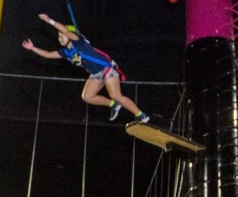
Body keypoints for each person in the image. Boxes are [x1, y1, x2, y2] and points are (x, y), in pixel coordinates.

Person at [22, 12, 153, 124]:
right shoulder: (65, 52)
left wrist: (49, 20)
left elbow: (65, 30)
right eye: (59, 37)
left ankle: (141, 115)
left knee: (116, 95)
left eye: (61, 35)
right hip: (95, 74)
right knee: (87, 97)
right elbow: (48, 55)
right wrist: (33, 48)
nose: (60, 38)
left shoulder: (77, 40)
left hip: (106, 68)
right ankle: (113, 105)